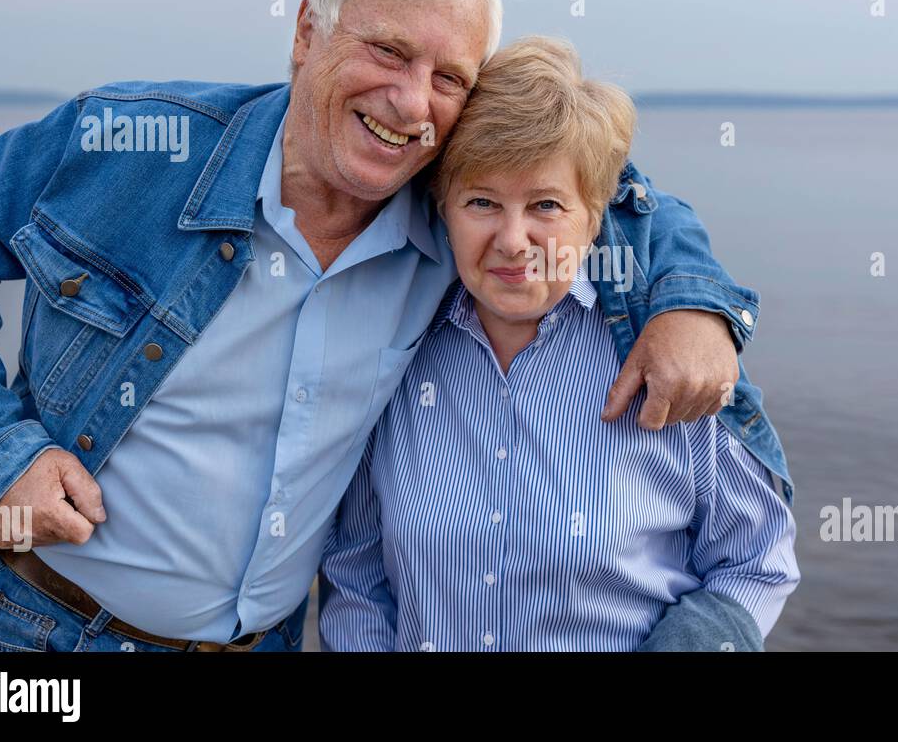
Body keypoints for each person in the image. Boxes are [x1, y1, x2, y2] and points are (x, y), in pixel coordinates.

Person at [0, 0, 788, 652]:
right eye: (387, 49)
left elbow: (595, 180)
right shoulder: (130, 145)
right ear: (307, 30)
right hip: (45, 631)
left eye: (449, 78)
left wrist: (692, 302)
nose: (411, 101)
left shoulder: (448, 203)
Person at [319, 37, 798, 651]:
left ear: (596, 215)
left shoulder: (664, 360)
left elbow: (757, 560)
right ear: (444, 210)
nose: (513, 240)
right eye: (482, 202)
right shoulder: (397, 355)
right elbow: (357, 574)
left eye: (545, 205)